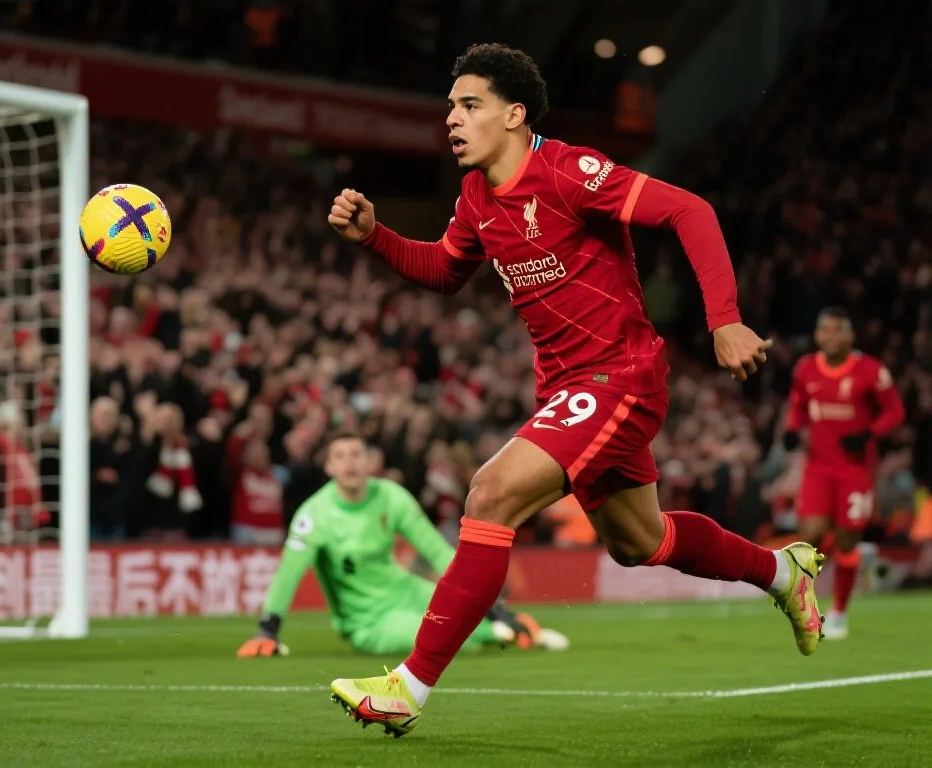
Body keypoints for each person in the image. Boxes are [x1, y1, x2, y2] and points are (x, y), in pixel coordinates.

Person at [325, 43, 825, 736]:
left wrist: (725, 320)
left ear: (514, 114)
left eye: (469, 105)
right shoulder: (476, 198)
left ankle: (407, 688)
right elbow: (444, 271)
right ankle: (782, 572)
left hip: (620, 376)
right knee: (640, 541)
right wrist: (375, 236)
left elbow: (691, 210)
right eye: (450, 108)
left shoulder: (568, 172)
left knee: (490, 494)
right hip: (570, 389)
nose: (452, 119)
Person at [236, 431, 568, 658]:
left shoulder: (391, 496)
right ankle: (507, 634)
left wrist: (489, 603)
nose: (349, 463)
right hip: (369, 622)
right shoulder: (314, 515)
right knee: (438, 635)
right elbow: (289, 573)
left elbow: (436, 551)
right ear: (329, 466)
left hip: (406, 591)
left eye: (356, 455)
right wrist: (268, 628)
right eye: (340, 456)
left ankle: (511, 624)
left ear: (368, 461)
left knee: (460, 612)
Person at [783, 307, 904, 639]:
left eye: (838, 330)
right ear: (817, 335)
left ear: (850, 336)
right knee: (811, 533)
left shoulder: (871, 371)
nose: (831, 336)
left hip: (855, 470)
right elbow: (798, 404)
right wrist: (792, 429)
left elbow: (894, 412)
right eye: (825, 330)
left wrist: (869, 434)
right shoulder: (806, 368)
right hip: (818, 467)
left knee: (847, 540)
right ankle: (804, 604)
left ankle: (838, 611)